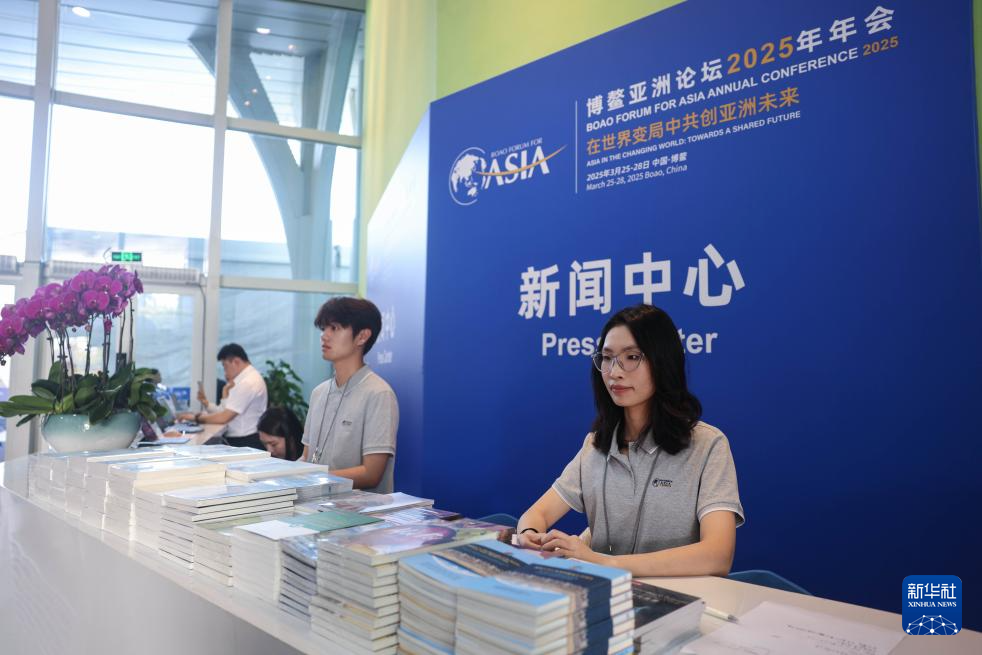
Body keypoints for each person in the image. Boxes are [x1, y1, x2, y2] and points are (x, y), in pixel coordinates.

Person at [516, 304, 744, 577]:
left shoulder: (708, 445)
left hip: (679, 597)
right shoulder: (596, 445)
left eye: (632, 357)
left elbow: (718, 555)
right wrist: (530, 534)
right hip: (605, 593)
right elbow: (536, 514)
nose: (615, 371)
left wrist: (606, 562)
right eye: (607, 358)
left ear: (663, 362)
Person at [300, 297, 399, 493]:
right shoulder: (319, 392)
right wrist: (282, 476)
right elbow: (307, 457)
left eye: (334, 328)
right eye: (323, 329)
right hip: (314, 504)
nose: (324, 336)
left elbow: (371, 473)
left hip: (361, 509)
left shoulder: (379, 393)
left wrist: (314, 479)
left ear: (362, 336)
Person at [178, 343, 268, 450]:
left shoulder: (247, 383)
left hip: (245, 441)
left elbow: (224, 417)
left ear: (236, 362)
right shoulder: (246, 379)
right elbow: (224, 411)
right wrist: (207, 403)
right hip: (244, 439)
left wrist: (195, 418)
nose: (225, 371)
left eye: (225, 366)